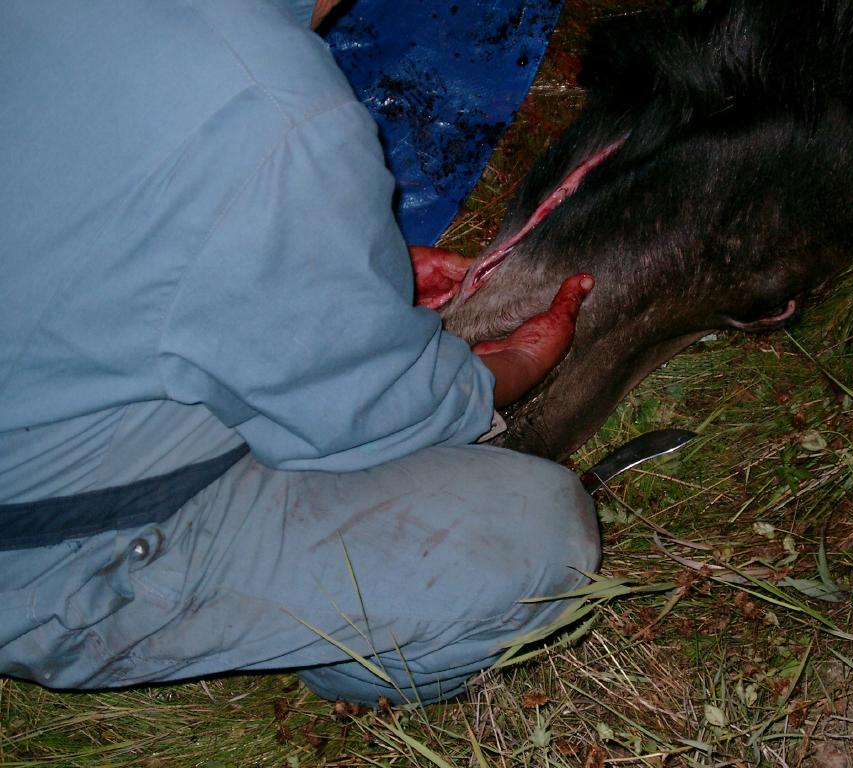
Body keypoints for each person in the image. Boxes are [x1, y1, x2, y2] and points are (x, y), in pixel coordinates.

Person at [0, 0, 600, 704]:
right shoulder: (272, 105)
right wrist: (508, 369)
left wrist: (302, 257)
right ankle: (349, 659)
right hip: (39, 555)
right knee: (534, 540)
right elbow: (373, 410)